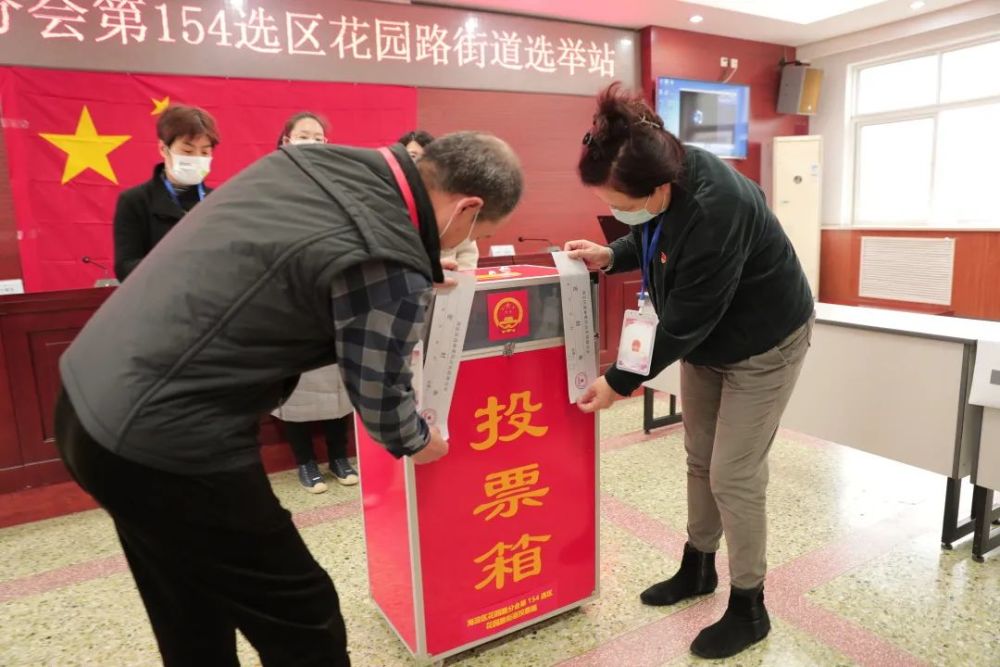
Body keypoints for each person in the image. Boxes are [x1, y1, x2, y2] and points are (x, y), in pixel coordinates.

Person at [55, 131, 523, 666]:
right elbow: (378, 391)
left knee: (188, 597)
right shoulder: (389, 248)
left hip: (89, 398)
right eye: (475, 232)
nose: (461, 243)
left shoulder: (319, 163)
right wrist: (418, 440)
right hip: (167, 437)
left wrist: (409, 282)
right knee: (302, 613)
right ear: (468, 206)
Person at [567, 83, 814, 660]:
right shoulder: (666, 178)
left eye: (618, 201)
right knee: (699, 457)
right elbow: (654, 237)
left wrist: (620, 380)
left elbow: (685, 320)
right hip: (710, 343)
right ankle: (698, 566)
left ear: (657, 188)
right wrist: (613, 254)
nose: (615, 211)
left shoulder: (715, 202)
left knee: (734, 474)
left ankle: (750, 605)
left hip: (763, 344)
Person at [273, 112, 357, 491]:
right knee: (294, 389)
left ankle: (339, 458)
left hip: (333, 296)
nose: (313, 142)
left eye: (319, 138)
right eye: (304, 136)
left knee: (338, 385)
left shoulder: (339, 185)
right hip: (288, 301)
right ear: (287, 141)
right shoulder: (270, 184)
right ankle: (305, 463)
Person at [113, 104, 218, 281]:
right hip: (157, 300)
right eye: (187, 151)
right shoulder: (135, 201)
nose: (197, 158)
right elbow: (125, 267)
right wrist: (176, 265)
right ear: (163, 149)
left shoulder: (217, 201)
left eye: (205, 152)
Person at [400, 129, 479, 270]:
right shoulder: (389, 198)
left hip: (449, 282)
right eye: (412, 156)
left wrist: (461, 279)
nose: (417, 162)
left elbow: (467, 249)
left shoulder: (450, 198)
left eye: (425, 157)